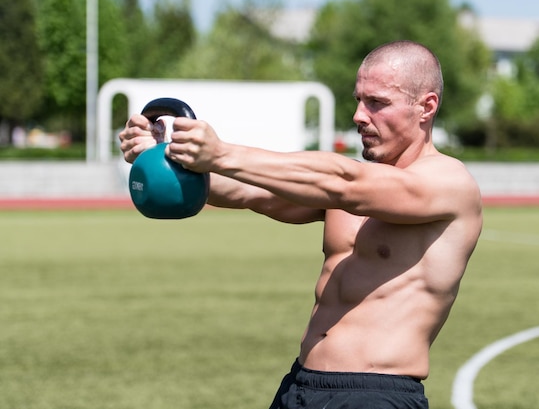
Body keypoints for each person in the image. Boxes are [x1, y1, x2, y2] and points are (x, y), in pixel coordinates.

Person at [119, 40, 483, 409]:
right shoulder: (346, 187)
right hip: (301, 385)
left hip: (376, 394)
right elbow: (252, 192)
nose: (359, 115)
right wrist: (168, 153)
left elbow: (346, 183)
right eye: (358, 100)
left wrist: (222, 153)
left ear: (426, 106)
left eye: (376, 102)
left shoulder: (448, 183)